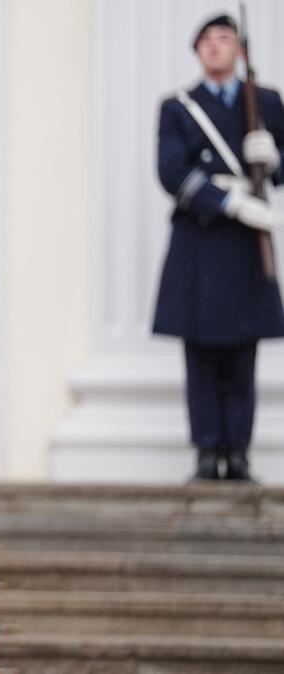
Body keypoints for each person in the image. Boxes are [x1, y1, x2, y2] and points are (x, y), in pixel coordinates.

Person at [153, 13, 284, 482]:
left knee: (243, 352)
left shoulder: (265, 101)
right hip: (200, 240)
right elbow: (171, 171)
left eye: (224, 38)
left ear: (239, 51)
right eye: (205, 40)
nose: (214, 46)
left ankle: (240, 453)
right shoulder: (179, 106)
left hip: (247, 246)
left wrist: (273, 158)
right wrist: (228, 202)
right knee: (202, 352)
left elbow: (281, 169)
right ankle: (208, 453)